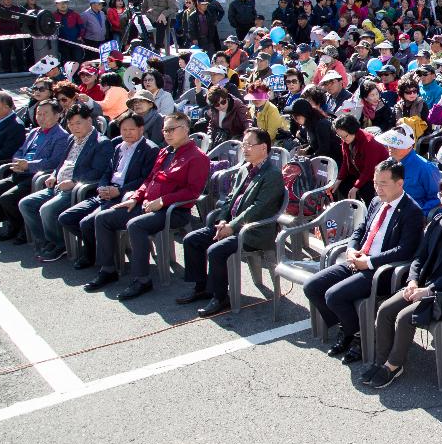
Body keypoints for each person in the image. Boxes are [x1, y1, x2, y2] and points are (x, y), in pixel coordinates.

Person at [360, 173, 442, 389]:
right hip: (421, 285)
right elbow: (419, 256)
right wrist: (412, 281)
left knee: (404, 317)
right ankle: (381, 360)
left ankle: (393, 365)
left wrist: (428, 289)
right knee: (385, 310)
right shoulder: (439, 219)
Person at [302, 159, 423, 363]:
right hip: (358, 260)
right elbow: (361, 229)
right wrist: (351, 249)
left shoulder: (412, 211)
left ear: (400, 183)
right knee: (312, 286)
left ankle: (360, 337)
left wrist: (369, 262)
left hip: (381, 271)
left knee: (334, 296)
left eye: (383, 183)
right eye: (375, 183)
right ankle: (351, 328)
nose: (377, 188)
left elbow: (405, 250)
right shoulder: (376, 201)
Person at [85, 113, 211, 299]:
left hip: (173, 210)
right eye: (164, 130)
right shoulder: (165, 151)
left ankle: (142, 279)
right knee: (103, 218)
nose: (167, 134)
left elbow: (193, 192)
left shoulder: (197, 157)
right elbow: (149, 180)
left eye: (171, 129)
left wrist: (162, 201)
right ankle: (108, 268)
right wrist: (135, 198)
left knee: (136, 225)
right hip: (146, 204)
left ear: (185, 130)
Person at [175, 129, 285, 316]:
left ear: (264, 147)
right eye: (244, 144)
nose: (245, 149)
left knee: (215, 251)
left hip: (253, 231)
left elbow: (258, 209)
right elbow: (229, 200)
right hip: (231, 225)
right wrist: (223, 221)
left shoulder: (272, 174)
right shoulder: (245, 169)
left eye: (249, 145)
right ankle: (202, 286)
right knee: (192, 240)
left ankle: (221, 297)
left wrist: (232, 227)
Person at [60, 113, 158, 270]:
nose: (127, 133)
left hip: (125, 195)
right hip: (106, 193)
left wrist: (119, 191)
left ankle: (97, 258)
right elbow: (107, 172)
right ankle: (100, 249)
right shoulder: (119, 146)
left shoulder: (150, 149)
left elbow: (145, 179)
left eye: (131, 129)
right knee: (67, 217)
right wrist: (102, 186)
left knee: (88, 222)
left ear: (141, 129)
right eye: (123, 129)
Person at [21, 103, 113, 262]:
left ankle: (59, 244)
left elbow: (97, 172)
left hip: (77, 189)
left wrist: (73, 182)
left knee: (47, 209)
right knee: (26, 203)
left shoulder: (101, 143)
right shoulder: (71, 138)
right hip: (58, 185)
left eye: (78, 123)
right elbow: (63, 162)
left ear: (89, 121)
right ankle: (45, 241)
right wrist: (54, 175)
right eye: (70, 124)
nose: (74, 127)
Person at [0, 99, 70, 241]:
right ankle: (13, 223)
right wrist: (17, 161)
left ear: (57, 115)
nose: (40, 117)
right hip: (19, 172)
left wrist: (28, 165)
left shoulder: (62, 136)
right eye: (38, 114)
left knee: (7, 198)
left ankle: (22, 228)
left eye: (44, 114)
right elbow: (20, 151)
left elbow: (54, 162)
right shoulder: (35, 132)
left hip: (36, 176)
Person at [334, 114, 388, 203]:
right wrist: (338, 180)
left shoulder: (369, 142)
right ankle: (351, 207)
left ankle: (367, 212)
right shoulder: (346, 140)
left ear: (353, 130)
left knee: (365, 190)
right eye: (340, 137)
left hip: (376, 176)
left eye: (345, 136)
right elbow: (346, 162)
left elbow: (369, 169)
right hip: (359, 172)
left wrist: (356, 187)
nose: (343, 139)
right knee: (342, 185)